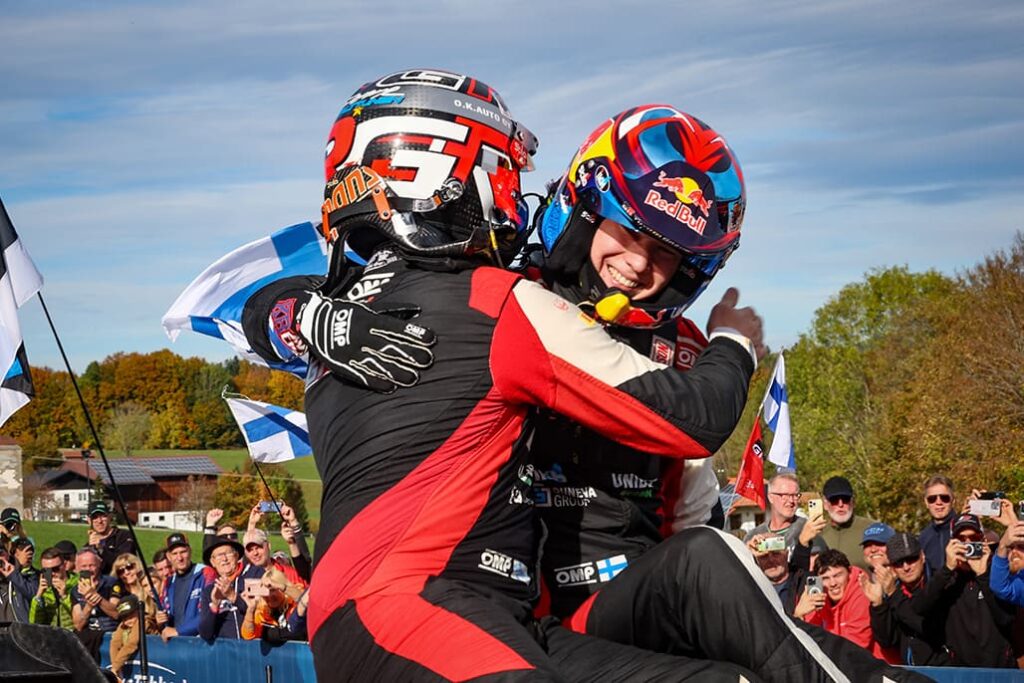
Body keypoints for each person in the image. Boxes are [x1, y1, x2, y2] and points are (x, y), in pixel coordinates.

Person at [239, 70, 919, 681]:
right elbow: (310, 290)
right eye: (628, 231)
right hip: (507, 612)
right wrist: (301, 314)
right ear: (586, 204)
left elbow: (694, 520)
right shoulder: (507, 288)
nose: (638, 264)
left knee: (710, 570)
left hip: (622, 611)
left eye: (669, 255)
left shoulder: (678, 349)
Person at [909, 513, 1017, 667]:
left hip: (999, 670)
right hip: (960, 671)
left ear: (983, 541)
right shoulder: (946, 579)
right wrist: (947, 569)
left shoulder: (997, 574)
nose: (968, 544)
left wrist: (983, 574)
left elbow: (1006, 619)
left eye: (974, 538)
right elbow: (918, 608)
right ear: (952, 543)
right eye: (961, 539)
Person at [800, 549, 899, 664]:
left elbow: (855, 647)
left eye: (837, 575)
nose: (833, 583)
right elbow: (803, 641)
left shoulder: (862, 593)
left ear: (849, 573)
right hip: (838, 665)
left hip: (873, 667)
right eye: (825, 578)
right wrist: (799, 614)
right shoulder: (818, 596)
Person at [864, 532, 948, 666]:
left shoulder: (938, 583)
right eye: (898, 562)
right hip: (910, 672)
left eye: (911, 559)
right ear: (892, 566)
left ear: (922, 556)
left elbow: (927, 629)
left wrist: (893, 594)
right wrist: (878, 605)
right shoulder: (893, 588)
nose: (906, 567)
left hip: (944, 670)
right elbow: (887, 641)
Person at [747, 512, 825, 615]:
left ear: (786, 553)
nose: (771, 560)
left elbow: (802, 553)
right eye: (764, 556)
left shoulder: (804, 582)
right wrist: (746, 552)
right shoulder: (751, 588)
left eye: (776, 554)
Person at [743, 473, 827, 555]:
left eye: (795, 495)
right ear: (770, 497)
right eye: (785, 495)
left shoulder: (808, 529)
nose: (791, 501)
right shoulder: (753, 536)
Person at [71, 547, 121, 663]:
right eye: (84, 566)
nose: (88, 570)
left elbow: (116, 613)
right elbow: (78, 624)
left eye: (92, 565)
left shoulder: (112, 583)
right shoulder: (75, 590)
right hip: (86, 638)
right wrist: (89, 604)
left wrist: (96, 597)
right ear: (77, 568)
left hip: (109, 635)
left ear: (99, 564)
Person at [819, 476, 875, 571]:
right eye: (834, 500)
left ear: (853, 502)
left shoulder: (872, 529)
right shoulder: (817, 533)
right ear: (825, 504)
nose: (840, 504)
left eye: (845, 499)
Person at [198, 534, 247, 641]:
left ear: (237, 555)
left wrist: (233, 596)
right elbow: (205, 634)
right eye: (219, 555)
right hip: (225, 654)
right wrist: (214, 606)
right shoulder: (209, 591)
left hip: (252, 650)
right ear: (212, 562)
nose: (224, 559)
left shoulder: (249, 578)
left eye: (228, 553)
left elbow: (259, 613)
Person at [158, 532, 205, 640]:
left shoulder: (204, 573)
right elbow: (167, 617)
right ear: (168, 557)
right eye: (174, 553)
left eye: (183, 552)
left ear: (190, 551)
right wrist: (160, 620)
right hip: (177, 645)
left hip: (200, 644)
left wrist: (179, 631)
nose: (179, 558)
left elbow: (209, 613)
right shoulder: (169, 583)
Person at [239, 567, 305, 642]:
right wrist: (250, 610)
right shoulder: (262, 611)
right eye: (266, 591)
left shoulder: (295, 603)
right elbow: (248, 635)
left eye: (273, 590)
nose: (270, 595)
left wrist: (282, 587)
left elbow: (305, 601)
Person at [112, 553, 161, 634]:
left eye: (129, 567)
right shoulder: (119, 591)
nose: (126, 573)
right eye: (121, 571)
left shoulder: (148, 586)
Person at [29, 546, 78, 629]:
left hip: (73, 636)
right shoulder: (45, 590)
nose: (52, 574)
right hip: (52, 637)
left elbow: (79, 619)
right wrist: (38, 596)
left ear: (65, 565)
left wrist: (64, 596)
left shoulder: (76, 584)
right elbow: (34, 623)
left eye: (55, 569)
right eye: (47, 571)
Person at [241, 528, 306, 587]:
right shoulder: (243, 579)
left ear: (269, 546)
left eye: (258, 547)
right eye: (250, 550)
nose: (255, 553)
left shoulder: (289, 573)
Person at [85, 501, 135, 575]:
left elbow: (123, 563)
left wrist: (101, 549)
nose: (99, 521)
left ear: (110, 517)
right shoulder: (87, 547)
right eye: (95, 517)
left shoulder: (123, 536)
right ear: (89, 521)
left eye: (103, 516)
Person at [990, 500, 1024, 606]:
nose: (1014, 551)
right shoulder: (1020, 582)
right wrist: (1003, 545)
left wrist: (1013, 522)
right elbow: (1000, 587)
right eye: (1011, 547)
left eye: (1021, 547)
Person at [109, 594, 142, 683]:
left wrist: (116, 667)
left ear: (139, 611)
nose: (128, 620)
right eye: (124, 617)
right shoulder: (123, 624)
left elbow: (132, 644)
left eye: (131, 616)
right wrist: (116, 669)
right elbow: (115, 643)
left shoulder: (144, 621)